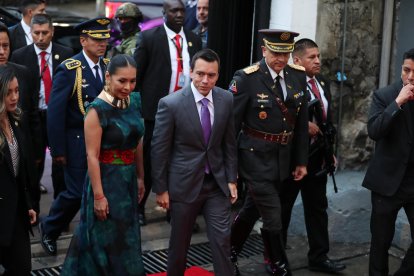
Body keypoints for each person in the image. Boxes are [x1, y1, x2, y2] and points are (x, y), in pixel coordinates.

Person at [229, 29, 309, 276]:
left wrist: (301, 161)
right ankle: (278, 264)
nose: (281, 60)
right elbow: (231, 128)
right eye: (275, 53)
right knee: (273, 214)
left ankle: (228, 251)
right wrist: (231, 172)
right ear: (264, 51)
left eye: (285, 54)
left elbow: (301, 123)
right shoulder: (246, 78)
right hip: (254, 157)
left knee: (252, 209)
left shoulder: (297, 76)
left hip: (282, 158)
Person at [152, 48, 237, 276]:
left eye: (211, 75)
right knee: (179, 245)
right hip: (183, 184)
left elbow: (229, 143)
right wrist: (160, 189)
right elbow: (159, 150)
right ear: (190, 72)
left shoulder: (226, 99)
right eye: (200, 74)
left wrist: (231, 178)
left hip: (216, 184)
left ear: (218, 76)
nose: (205, 80)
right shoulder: (171, 104)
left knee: (222, 240)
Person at [60, 54, 145, 275]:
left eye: (132, 81)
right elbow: (92, 156)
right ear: (108, 76)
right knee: (104, 239)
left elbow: (138, 141)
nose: (128, 86)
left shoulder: (135, 101)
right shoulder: (97, 110)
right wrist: (98, 196)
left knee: (126, 236)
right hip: (105, 181)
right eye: (122, 81)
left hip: (128, 181)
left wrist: (140, 176)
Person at [39, 17, 110, 256]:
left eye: (105, 39)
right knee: (76, 191)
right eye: (96, 39)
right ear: (83, 41)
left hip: (103, 141)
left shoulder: (108, 66)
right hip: (77, 140)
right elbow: (55, 113)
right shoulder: (70, 69)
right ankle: (50, 227)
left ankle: (93, 238)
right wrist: (58, 150)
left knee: (100, 190)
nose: (102, 44)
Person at [278, 38, 346, 273]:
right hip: (292, 157)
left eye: (318, 56)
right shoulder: (286, 82)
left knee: (317, 208)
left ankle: (319, 256)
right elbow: (275, 115)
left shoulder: (322, 82)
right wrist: (301, 124)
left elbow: (327, 120)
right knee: (282, 208)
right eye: (312, 57)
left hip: (317, 155)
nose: (318, 61)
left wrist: (331, 152)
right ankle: (277, 259)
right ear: (297, 60)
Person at [134, 0, 201, 226]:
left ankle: (176, 211)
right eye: (174, 11)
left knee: (180, 161)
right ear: (164, 13)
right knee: (152, 161)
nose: (179, 15)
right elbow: (137, 77)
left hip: (185, 110)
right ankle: (139, 208)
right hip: (156, 112)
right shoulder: (150, 38)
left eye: (182, 10)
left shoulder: (193, 38)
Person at [362, 48, 414, 276]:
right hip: (387, 183)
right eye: (406, 70)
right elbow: (374, 131)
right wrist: (398, 103)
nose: (410, 77)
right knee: (381, 242)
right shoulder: (384, 95)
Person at [10, 13, 73, 202]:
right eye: (36, 33)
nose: (40, 37)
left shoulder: (66, 54)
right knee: (33, 167)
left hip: (58, 118)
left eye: (45, 33)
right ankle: (33, 210)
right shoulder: (20, 56)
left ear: (52, 32)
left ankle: (60, 214)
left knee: (60, 167)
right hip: (33, 118)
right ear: (31, 32)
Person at [0, 22, 42, 216]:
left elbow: (33, 115)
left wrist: (37, 151)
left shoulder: (23, 73)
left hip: (23, 156)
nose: (1, 51)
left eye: (5, 46)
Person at [0, 65, 37, 275]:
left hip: (16, 211)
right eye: (8, 93)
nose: (15, 97)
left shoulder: (16, 119)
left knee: (22, 268)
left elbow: (19, 171)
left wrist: (28, 204)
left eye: (17, 90)